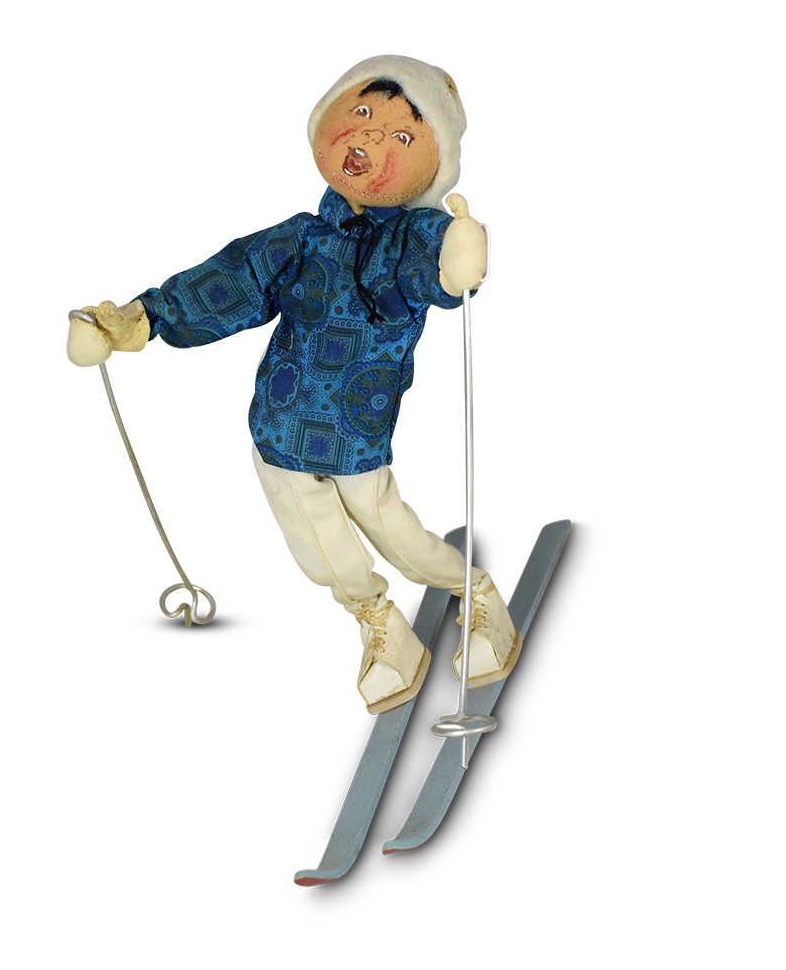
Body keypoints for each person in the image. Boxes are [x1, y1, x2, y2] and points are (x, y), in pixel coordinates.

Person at [68, 57, 521, 714]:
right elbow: (233, 281)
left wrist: (457, 261)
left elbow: (429, 270)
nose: (370, 136)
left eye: (402, 135)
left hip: (353, 432)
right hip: (280, 426)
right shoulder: (299, 238)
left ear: (432, 165)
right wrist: (137, 322)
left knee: (398, 535)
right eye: (361, 112)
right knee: (321, 551)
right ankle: (382, 625)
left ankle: (476, 593)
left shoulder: (409, 237)